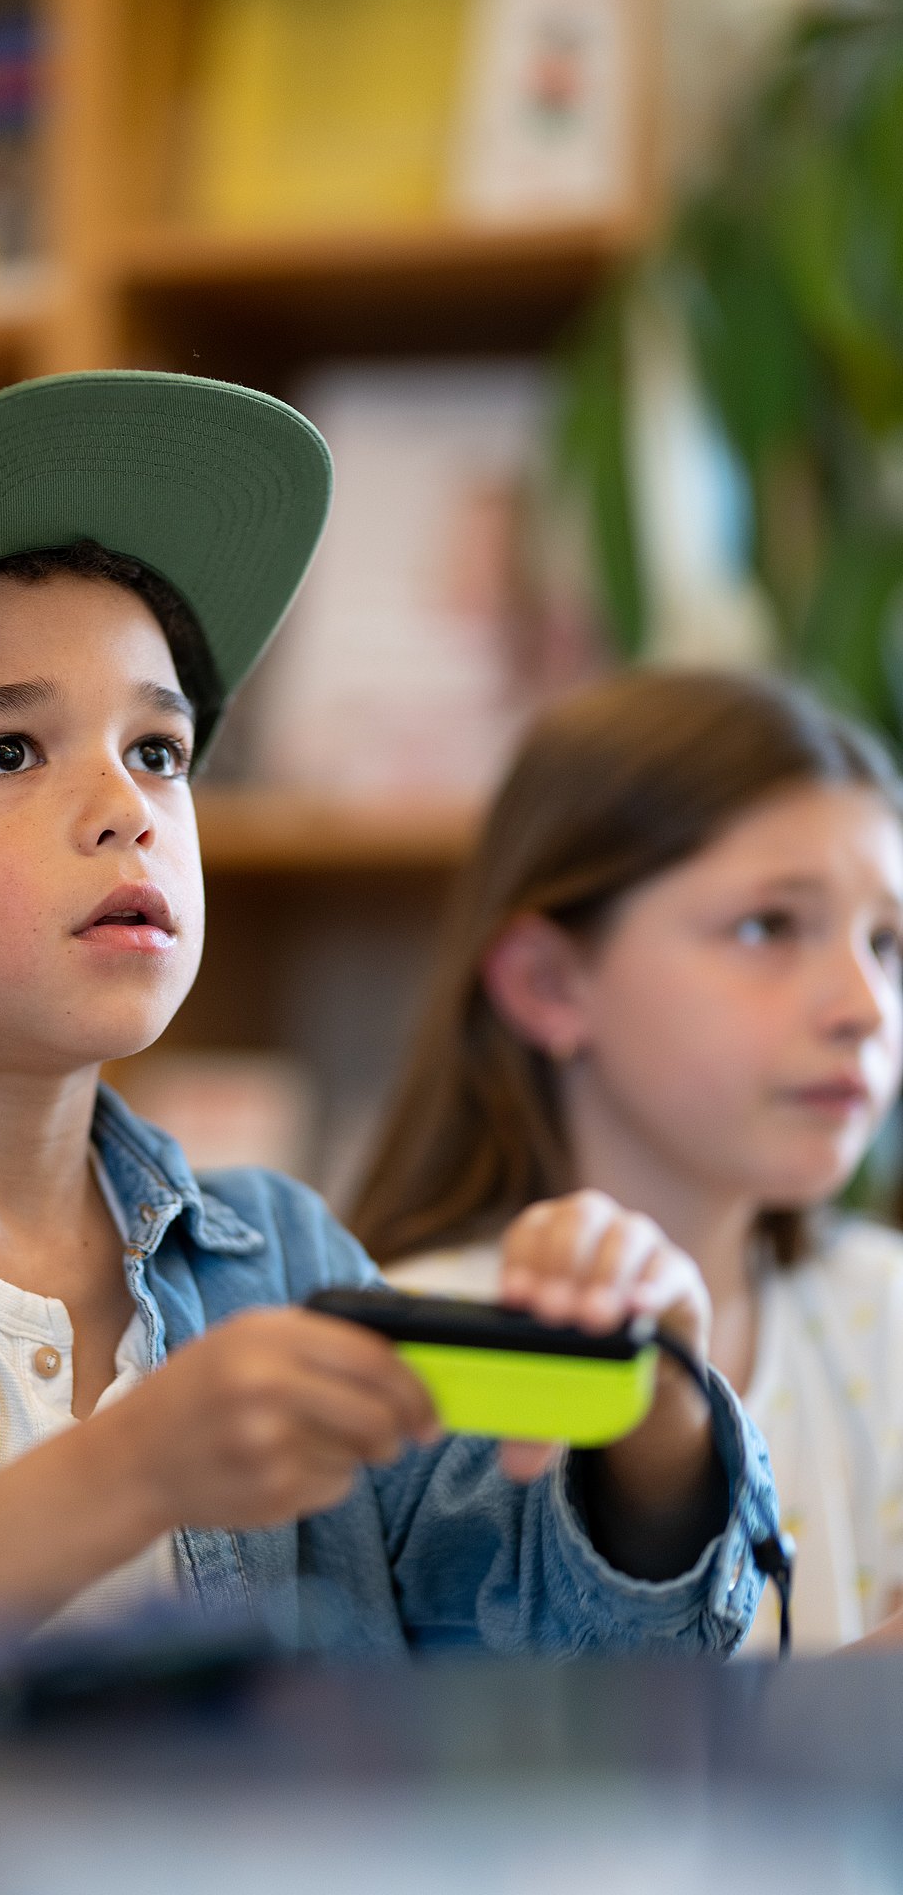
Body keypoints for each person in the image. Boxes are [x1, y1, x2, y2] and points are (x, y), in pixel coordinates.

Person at [0, 375, 775, 1684]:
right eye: (7, 750)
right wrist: (123, 1472)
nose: (128, 807)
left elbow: (566, 1666)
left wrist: (659, 1419)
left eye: (159, 751)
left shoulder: (277, 1253)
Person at [349, 667, 903, 1653]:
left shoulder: (883, 1311)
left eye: (885, 943)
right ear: (548, 982)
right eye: (766, 926)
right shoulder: (411, 1369)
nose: (862, 1006)